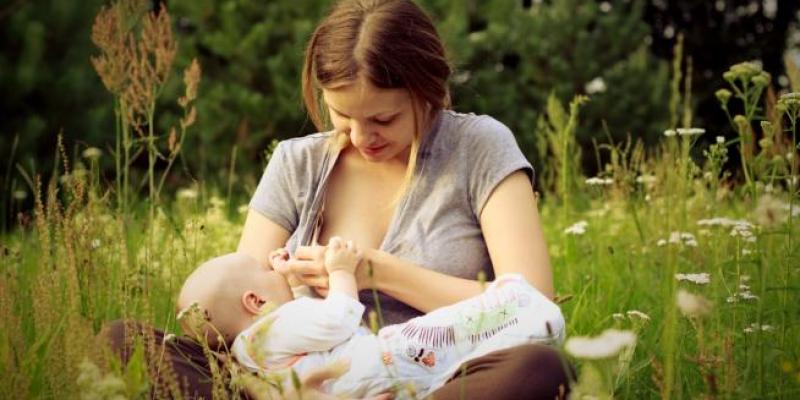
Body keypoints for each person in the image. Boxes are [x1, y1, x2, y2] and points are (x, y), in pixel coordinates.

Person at [104, 0, 573, 398]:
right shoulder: (298, 162)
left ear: (428, 91)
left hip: (432, 378)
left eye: (383, 119)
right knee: (122, 341)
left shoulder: (479, 147)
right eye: (342, 114)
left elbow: (531, 300)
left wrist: (377, 273)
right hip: (297, 382)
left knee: (538, 369)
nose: (362, 136)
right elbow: (241, 313)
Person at [176, 242, 564, 399]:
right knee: (452, 333)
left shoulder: (256, 348)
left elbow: (301, 321)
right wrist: (344, 272)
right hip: (384, 358)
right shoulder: (272, 328)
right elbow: (335, 322)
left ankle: (515, 315)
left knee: (520, 365)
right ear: (256, 300)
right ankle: (517, 305)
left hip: (360, 384)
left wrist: (291, 280)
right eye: (265, 271)